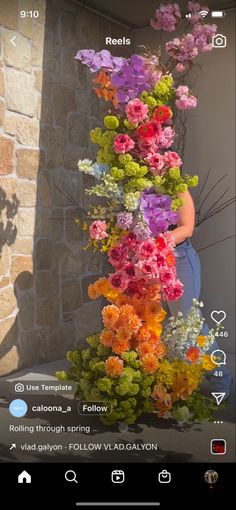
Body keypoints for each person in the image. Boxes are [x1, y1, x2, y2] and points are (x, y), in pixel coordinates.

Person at [167, 190, 232, 398]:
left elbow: (186, 228)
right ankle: (164, 378)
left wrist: (156, 244)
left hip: (179, 261)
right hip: (148, 264)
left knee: (189, 322)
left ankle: (220, 375)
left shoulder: (177, 187)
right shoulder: (137, 189)